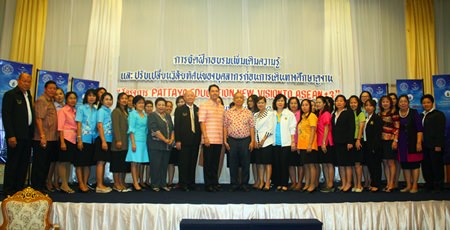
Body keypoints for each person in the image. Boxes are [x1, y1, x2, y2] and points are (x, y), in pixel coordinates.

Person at [2, 73, 34, 195]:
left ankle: (19, 190)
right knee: (13, 163)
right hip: (15, 136)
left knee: (23, 164)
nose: (27, 83)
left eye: (29, 81)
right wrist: (10, 135)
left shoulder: (28, 95)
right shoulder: (10, 95)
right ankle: (9, 190)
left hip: (27, 136)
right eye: (24, 81)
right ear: (18, 81)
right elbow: (6, 116)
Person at [224, 92, 255, 192]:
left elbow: (252, 127)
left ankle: (245, 184)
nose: (239, 99)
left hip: (246, 140)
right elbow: (225, 127)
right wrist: (225, 140)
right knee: (233, 163)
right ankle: (234, 184)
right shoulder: (228, 112)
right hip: (232, 140)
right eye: (237, 98)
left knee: (245, 163)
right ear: (233, 99)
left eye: (241, 98)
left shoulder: (248, 113)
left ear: (243, 100)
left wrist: (252, 141)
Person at [31, 80, 58, 193]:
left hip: (52, 137)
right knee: (40, 164)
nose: (52, 90)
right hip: (43, 138)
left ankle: (41, 186)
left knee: (46, 163)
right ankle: (36, 188)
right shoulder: (42, 101)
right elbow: (39, 119)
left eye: (54, 88)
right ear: (45, 89)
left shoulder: (51, 101)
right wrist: (42, 135)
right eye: (50, 88)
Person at [198, 84, 224, 192]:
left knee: (215, 163)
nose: (215, 93)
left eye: (216, 91)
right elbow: (202, 122)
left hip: (219, 140)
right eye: (212, 91)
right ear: (209, 93)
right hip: (208, 139)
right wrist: (205, 137)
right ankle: (208, 184)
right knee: (208, 163)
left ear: (219, 92)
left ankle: (215, 182)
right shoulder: (204, 105)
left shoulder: (221, 107)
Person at [174, 90, 201, 191]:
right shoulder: (179, 110)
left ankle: (191, 183)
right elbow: (177, 126)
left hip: (195, 141)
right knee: (183, 163)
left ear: (194, 97)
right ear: (184, 98)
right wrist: (178, 140)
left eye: (192, 96)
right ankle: (183, 184)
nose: (190, 97)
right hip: (183, 142)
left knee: (192, 163)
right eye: (188, 96)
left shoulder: (198, 109)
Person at [396, 95, 423, 193]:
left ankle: (415, 185)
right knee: (405, 165)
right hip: (401, 143)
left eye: (405, 101)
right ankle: (408, 185)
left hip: (413, 142)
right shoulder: (396, 114)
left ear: (408, 103)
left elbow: (419, 129)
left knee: (414, 164)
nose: (403, 103)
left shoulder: (414, 113)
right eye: (401, 101)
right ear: (398, 104)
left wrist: (419, 142)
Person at [148, 97, 174, 192]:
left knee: (164, 166)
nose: (161, 107)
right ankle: (155, 184)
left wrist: (171, 139)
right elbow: (154, 129)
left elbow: (172, 129)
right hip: (155, 145)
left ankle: (163, 184)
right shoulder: (152, 115)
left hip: (167, 146)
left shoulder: (168, 116)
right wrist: (165, 139)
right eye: (159, 105)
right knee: (156, 165)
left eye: (163, 105)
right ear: (156, 106)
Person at [421, 94, 446, 192]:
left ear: (432, 103)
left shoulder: (438, 114)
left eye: (428, 102)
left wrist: (438, 145)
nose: (426, 104)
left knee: (437, 166)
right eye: (424, 103)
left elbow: (440, 131)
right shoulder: (422, 115)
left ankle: (438, 185)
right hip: (425, 145)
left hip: (435, 145)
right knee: (426, 166)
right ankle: (429, 184)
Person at [272, 94, 297, 192]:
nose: (280, 102)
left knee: (284, 164)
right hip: (274, 143)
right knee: (276, 164)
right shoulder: (272, 114)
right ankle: (278, 183)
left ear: (285, 102)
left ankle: (284, 184)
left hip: (285, 143)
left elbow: (292, 128)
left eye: (282, 101)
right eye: (278, 101)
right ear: (275, 102)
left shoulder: (289, 113)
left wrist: (292, 141)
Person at [75, 89, 98, 192]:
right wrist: (79, 139)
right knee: (80, 163)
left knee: (88, 163)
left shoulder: (96, 110)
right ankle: (80, 183)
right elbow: (79, 124)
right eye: (89, 96)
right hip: (83, 139)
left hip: (92, 140)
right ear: (86, 97)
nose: (92, 97)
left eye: (93, 96)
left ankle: (85, 183)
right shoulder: (81, 108)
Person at [125, 95, 149, 191]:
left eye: (142, 103)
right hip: (135, 140)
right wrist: (133, 143)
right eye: (139, 103)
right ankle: (135, 183)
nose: (141, 104)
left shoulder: (145, 114)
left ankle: (138, 181)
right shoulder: (132, 114)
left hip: (143, 141)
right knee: (134, 163)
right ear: (134, 104)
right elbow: (131, 129)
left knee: (139, 163)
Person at [332, 95, 355, 192]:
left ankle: (349, 183)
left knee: (347, 164)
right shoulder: (334, 114)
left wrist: (350, 141)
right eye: (337, 101)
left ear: (345, 103)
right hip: (337, 142)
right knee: (340, 164)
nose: (339, 103)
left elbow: (351, 128)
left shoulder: (348, 113)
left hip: (346, 142)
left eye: (341, 101)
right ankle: (343, 182)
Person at [57, 91, 78, 193]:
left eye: (74, 98)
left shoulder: (75, 111)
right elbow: (60, 128)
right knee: (63, 162)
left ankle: (66, 183)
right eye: (70, 98)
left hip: (73, 139)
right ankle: (63, 184)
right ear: (66, 99)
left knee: (68, 162)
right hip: (65, 138)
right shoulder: (63, 110)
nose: (73, 100)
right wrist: (62, 142)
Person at [378, 95, 399, 192]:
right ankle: (388, 182)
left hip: (391, 140)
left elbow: (397, 128)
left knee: (391, 162)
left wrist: (395, 140)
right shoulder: (379, 114)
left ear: (390, 103)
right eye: (383, 102)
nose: (385, 103)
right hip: (382, 141)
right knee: (385, 162)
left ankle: (392, 183)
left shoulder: (394, 113)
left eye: (387, 101)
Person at [111, 92, 131, 192]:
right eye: (122, 98)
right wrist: (118, 140)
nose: (124, 100)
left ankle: (122, 182)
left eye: (126, 98)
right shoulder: (116, 111)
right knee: (116, 164)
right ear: (118, 100)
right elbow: (115, 127)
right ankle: (116, 183)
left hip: (126, 143)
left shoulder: (126, 112)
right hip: (118, 142)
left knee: (123, 164)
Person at [253, 96, 274, 191]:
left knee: (267, 163)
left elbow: (270, 128)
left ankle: (268, 182)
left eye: (262, 102)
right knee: (260, 163)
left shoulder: (270, 114)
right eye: (258, 103)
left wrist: (263, 140)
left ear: (265, 103)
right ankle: (261, 181)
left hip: (267, 141)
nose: (260, 104)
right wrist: (255, 141)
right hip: (257, 142)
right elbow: (254, 129)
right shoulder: (255, 115)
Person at [297, 99, 318, 193]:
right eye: (302, 105)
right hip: (302, 145)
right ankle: (307, 183)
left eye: (306, 105)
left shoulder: (312, 116)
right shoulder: (302, 117)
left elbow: (313, 131)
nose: (304, 107)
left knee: (311, 165)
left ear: (310, 106)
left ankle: (313, 184)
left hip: (310, 145)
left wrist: (310, 144)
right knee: (306, 166)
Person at [94, 92, 113, 193]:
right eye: (106, 99)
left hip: (109, 139)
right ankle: (99, 185)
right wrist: (103, 141)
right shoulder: (101, 111)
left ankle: (101, 184)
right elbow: (99, 126)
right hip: (102, 139)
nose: (109, 101)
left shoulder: (109, 111)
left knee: (103, 162)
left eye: (110, 99)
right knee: (100, 162)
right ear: (101, 101)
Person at [362, 99, 383, 192]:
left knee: (376, 166)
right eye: (366, 105)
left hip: (374, 146)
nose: (368, 107)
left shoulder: (376, 118)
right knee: (370, 165)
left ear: (374, 107)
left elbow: (377, 134)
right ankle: (373, 183)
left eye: (370, 105)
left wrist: (375, 146)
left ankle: (377, 184)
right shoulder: (367, 118)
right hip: (367, 145)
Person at [316, 96, 335, 192]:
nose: (318, 104)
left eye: (319, 102)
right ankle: (327, 182)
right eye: (317, 102)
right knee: (324, 163)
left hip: (326, 141)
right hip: (319, 141)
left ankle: (331, 184)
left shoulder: (326, 114)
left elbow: (327, 129)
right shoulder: (319, 113)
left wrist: (324, 142)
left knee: (329, 163)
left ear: (324, 104)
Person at [48, 88, 65, 191]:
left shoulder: (66, 107)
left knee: (60, 161)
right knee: (52, 161)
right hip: (53, 136)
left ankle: (56, 181)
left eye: (61, 94)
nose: (59, 96)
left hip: (63, 137)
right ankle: (49, 181)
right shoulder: (52, 107)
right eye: (57, 94)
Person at [348, 95, 365, 192]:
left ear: (358, 103)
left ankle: (359, 184)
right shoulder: (350, 114)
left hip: (358, 140)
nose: (353, 104)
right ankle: (355, 184)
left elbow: (361, 128)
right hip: (351, 140)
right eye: (351, 103)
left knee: (358, 164)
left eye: (355, 102)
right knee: (353, 163)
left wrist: (358, 140)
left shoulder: (360, 113)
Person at [287, 97, 303, 191]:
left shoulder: (302, 114)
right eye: (291, 103)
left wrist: (297, 143)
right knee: (291, 164)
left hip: (300, 142)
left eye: (295, 103)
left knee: (300, 164)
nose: (293, 105)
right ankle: (293, 182)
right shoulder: (287, 114)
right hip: (288, 142)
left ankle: (300, 182)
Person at [167, 97, 183, 188]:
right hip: (169, 144)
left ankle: (180, 182)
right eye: (167, 106)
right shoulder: (167, 117)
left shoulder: (174, 117)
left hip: (179, 144)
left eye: (170, 106)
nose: (169, 108)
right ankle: (169, 182)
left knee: (181, 164)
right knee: (170, 163)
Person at [359, 91, 372, 189]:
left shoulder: (372, 109)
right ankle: (366, 181)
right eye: (362, 96)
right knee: (363, 162)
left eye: (366, 96)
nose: (364, 98)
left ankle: (370, 180)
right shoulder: (359, 110)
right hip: (361, 139)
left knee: (369, 161)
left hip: (370, 139)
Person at [139, 100, 154, 188]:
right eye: (147, 106)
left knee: (149, 163)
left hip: (151, 142)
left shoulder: (154, 116)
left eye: (151, 106)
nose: (149, 108)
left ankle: (147, 180)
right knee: (142, 162)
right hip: (142, 141)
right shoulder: (142, 116)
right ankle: (140, 180)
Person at [247, 94, 259, 189]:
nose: (249, 103)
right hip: (249, 140)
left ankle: (260, 180)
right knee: (253, 162)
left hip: (258, 140)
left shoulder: (259, 113)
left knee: (259, 162)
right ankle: (256, 181)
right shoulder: (247, 112)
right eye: (248, 101)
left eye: (251, 101)